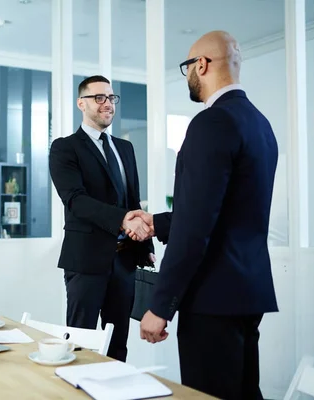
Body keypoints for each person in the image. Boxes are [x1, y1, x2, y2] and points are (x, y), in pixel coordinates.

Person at [126, 31, 279, 399]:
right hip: (247, 293)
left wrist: (160, 306)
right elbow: (223, 211)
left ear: (202, 65)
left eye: (188, 67)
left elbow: (196, 230)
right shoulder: (261, 125)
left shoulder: (211, 123)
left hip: (212, 297)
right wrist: (157, 223)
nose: (189, 76)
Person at [49, 75, 155, 362]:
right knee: (80, 342)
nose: (107, 104)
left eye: (111, 98)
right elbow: (76, 200)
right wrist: (124, 220)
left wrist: (144, 245)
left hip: (124, 260)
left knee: (117, 343)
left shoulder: (125, 148)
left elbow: (133, 201)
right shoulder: (65, 147)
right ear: (81, 103)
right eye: (99, 98)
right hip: (85, 260)